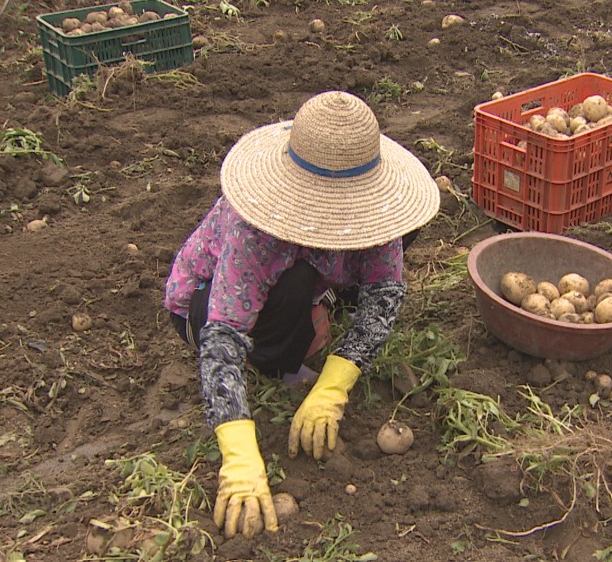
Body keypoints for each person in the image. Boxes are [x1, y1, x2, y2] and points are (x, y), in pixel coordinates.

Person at [162, 91, 440, 539]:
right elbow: (223, 339)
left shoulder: (377, 214)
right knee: (290, 288)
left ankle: (315, 308)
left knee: (391, 240)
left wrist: (335, 385)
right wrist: (238, 453)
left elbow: (385, 293)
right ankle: (276, 356)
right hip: (205, 304)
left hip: (313, 276)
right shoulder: (254, 230)